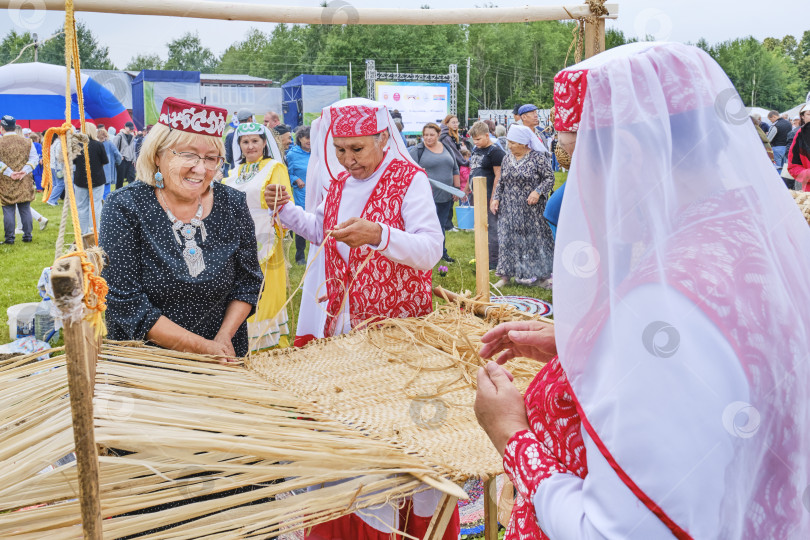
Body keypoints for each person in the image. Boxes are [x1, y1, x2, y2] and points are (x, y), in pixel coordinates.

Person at [474, 42, 810, 540]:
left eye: (573, 161)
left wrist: (511, 436)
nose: (576, 186)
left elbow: (622, 532)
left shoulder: (665, 303)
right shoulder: (751, 235)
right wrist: (586, 342)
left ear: (627, 155)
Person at [263, 97, 453, 540]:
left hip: (393, 330)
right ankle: (348, 515)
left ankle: (396, 522)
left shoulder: (410, 180)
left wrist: (380, 235)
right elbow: (325, 233)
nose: (349, 160)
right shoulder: (340, 184)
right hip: (342, 325)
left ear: (383, 140)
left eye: (358, 149)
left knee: (390, 433)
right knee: (349, 432)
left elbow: (430, 250)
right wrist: (287, 212)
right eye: (341, 149)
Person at [100, 97, 262, 359]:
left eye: (212, 158)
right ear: (157, 155)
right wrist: (202, 347)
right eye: (188, 155)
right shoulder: (125, 207)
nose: (201, 169)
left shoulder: (232, 203)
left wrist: (222, 339)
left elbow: (248, 282)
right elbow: (125, 302)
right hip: (149, 363)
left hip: (224, 358)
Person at [223, 121, 291, 350]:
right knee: (240, 290)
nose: (250, 146)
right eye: (245, 141)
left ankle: (267, 342)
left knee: (264, 290)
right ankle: (242, 338)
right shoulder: (233, 173)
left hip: (265, 238)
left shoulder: (274, 168)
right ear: (239, 145)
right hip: (236, 239)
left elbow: (284, 203)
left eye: (255, 141)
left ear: (264, 143)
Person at [491, 124, 554, 288]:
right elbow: (502, 181)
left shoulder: (538, 158)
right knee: (507, 240)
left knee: (534, 240)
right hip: (509, 208)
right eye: (509, 143)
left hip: (532, 209)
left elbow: (549, 178)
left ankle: (541, 277)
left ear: (524, 143)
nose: (509, 146)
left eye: (513, 143)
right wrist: (496, 198)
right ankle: (505, 277)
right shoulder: (506, 158)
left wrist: (537, 191)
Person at [410, 122, 460, 263]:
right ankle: (424, 255)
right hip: (425, 197)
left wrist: (456, 188)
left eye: (432, 135)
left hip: (445, 196)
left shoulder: (447, 148)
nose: (428, 138)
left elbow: (455, 169)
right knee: (427, 227)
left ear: (438, 135)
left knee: (441, 226)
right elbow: (408, 170)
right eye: (425, 135)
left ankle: (441, 253)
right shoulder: (417, 150)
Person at [469, 120, 506, 269]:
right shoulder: (476, 149)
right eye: (474, 139)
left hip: (489, 194)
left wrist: (493, 198)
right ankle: (482, 255)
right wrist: (467, 188)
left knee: (492, 227)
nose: (475, 142)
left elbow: (499, 176)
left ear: (487, 135)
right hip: (476, 194)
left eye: (478, 139)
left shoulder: (496, 152)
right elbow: (473, 169)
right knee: (479, 226)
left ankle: (494, 261)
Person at [0, 115, 37, 244]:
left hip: (5, 181)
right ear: (14, 127)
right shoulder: (27, 141)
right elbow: (34, 159)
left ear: (2, 128)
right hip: (24, 179)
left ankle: (9, 238)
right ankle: (28, 236)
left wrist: (9, 173)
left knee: (8, 209)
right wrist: (24, 171)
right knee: (25, 208)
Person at [72, 122, 108, 236]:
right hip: (97, 179)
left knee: (82, 206)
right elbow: (104, 161)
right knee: (96, 205)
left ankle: (84, 232)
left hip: (80, 179)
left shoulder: (77, 145)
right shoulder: (98, 145)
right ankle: (94, 230)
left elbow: (73, 161)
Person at [286, 125, 311, 265]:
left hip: (316, 192)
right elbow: (287, 173)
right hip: (301, 193)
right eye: (306, 138)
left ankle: (318, 253)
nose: (309, 141)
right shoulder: (292, 154)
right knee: (302, 223)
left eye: (312, 138)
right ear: (300, 138)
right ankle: (300, 256)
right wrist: (295, 179)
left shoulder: (317, 153)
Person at [787, 102, 810, 190]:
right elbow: (793, 166)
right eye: (809, 114)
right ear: (802, 117)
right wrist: (808, 174)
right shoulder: (800, 134)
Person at [98, 128, 122, 199]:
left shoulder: (95, 144)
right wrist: (117, 162)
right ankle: (105, 203)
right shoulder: (109, 144)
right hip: (108, 170)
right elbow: (118, 155)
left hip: (97, 171)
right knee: (107, 190)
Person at [113, 121, 137, 189]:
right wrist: (119, 157)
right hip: (122, 161)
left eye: (132, 129)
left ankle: (132, 194)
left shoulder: (132, 137)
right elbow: (114, 149)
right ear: (125, 127)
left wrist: (134, 159)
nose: (131, 130)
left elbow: (133, 149)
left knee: (132, 178)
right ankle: (118, 195)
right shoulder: (119, 136)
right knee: (120, 180)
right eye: (130, 128)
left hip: (131, 161)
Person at [46, 131, 66, 205]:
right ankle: (52, 200)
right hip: (58, 167)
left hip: (53, 166)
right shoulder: (60, 144)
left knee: (55, 184)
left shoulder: (54, 143)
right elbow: (59, 156)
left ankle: (52, 199)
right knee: (60, 184)